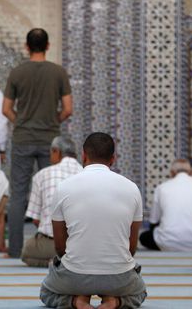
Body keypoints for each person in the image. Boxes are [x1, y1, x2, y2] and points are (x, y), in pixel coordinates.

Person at [40, 132, 146, 309]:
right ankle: (114, 302)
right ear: (113, 159)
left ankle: (77, 302)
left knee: (47, 292)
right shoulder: (132, 188)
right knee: (140, 292)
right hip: (118, 276)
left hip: (74, 274)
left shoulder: (64, 187)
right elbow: (132, 247)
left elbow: (59, 247)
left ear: (83, 155)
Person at [3, 28, 73, 258]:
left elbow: (6, 109)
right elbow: (68, 109)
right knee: (53, 193)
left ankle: (14, 250)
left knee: (18, 195)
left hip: (23, 138)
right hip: (49, 141)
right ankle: (56, 246)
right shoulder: (58, 72)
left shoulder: (17, 72)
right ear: (48, 46)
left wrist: (20, 123)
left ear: (26, 46)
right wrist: (52, 122)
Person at [22, 136, 82, 267]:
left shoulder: (42, 175)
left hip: (53, 244)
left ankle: (56, 263)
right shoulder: (86, 173)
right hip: (83, 245)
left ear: (56, 151)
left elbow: (36, 220)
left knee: (27, 250)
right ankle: (73, 262)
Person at [139, 159, 192, 252]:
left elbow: (154, 221)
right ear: (191, 172)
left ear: (172, 173)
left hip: (167, 244)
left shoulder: (162, 188)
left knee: (143, 237)